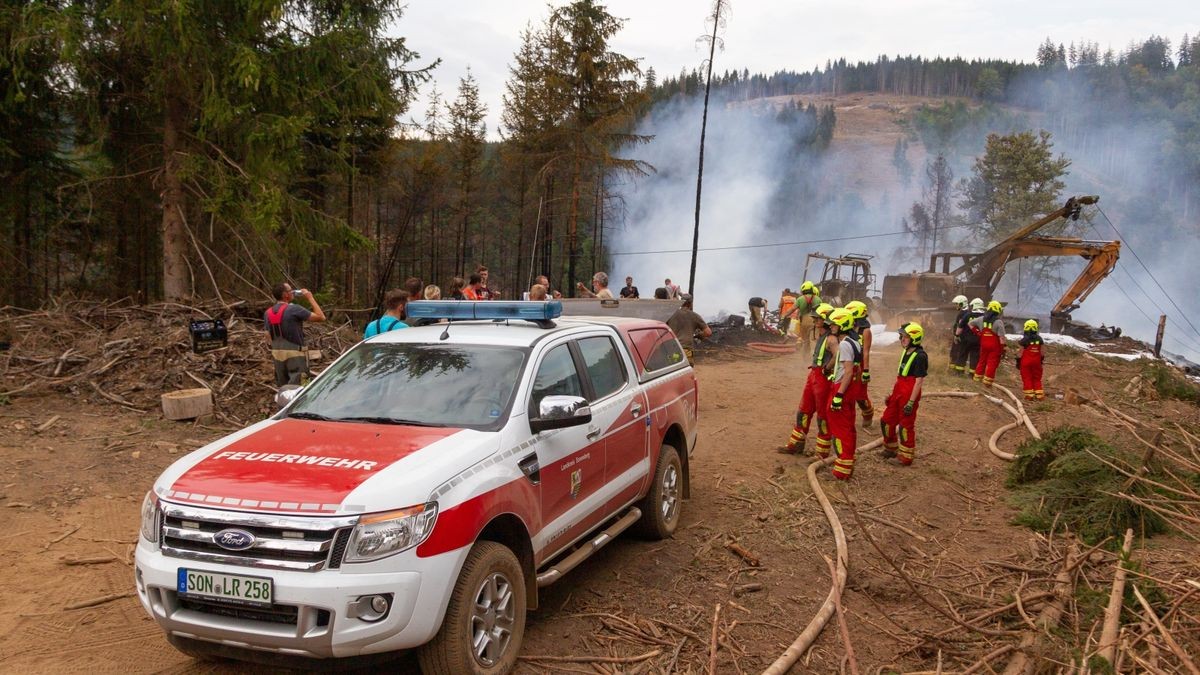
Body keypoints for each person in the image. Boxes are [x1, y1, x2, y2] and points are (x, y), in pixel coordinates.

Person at [781, 303, 836, 456]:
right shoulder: (819, 334)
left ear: (825, 319)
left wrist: (827, 368)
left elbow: (837, 355)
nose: (814, 320)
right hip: (813, 376)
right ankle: (796, 445)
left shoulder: (831, 338)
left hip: (823, 380)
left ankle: (822, 453)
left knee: (822, 415)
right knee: (804, 411)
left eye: (817, 318)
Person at [880, 322, 929, 466]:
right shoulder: (906, 351)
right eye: (901, 336)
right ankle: (891, 448)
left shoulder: (920, 356)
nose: (902, 339)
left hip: (909, 393)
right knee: (886, 421)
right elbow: (901, 376)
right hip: (899, 390)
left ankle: (906, 457)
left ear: (914, 337)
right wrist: (893, 396)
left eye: (905, 337)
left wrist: (911, 402)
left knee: (905, 426)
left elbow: (919, 381)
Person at [825, 308, 862, 480]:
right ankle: (847, 464)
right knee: (848, 426)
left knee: (840, 429)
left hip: (842, 388)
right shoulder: (855, 341)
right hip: (850, 389)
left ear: (842, 324)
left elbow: (847, 372)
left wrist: (838, 395)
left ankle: (841, 471)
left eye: (834, 323)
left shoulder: (846, 344)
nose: (831, 326)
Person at [264, 283, 325, 386]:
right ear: (285, 295)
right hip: (296, 355)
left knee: (283, 388)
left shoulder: (268, 313)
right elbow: (321, 317)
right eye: (290, 290)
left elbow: (267, 334)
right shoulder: (294, 309)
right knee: (303, 386)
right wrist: (310, 298)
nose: (293, 292)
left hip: (277, 354)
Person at [845, 300, 876, 429]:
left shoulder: (866, 331)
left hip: (860, 365)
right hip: (848, 363)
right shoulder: (848, 328)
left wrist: (866, 371)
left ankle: (868, 413)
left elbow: (866, 352)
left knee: (860, 396)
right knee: (846, 391)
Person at [969, 300, 1008, 387]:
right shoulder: (998, 322)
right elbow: (1001, 337)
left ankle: (977, 378)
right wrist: (1003, 348)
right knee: (992, 363)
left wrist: (978, 333)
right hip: (994, 347)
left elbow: (970, 324)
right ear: (997, 310)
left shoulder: (981, 319)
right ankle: (987, 382)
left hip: (984, 344)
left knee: (982, 361)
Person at [666, 294, 712, 365]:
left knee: (672, 373)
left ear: (681, 303)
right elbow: (708, 332)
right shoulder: (695, 316)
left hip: (672, 350)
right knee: (686, 374)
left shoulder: (671, 314)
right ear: (691, 304)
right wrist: (699, 336)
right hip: (686, 352)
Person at [956, 298, 985, 375]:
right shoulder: (985, 316)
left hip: (965, 340)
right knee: (975, 357)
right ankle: (972, 374)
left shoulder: (968, 315)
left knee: (962, 355)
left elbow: (960, 326)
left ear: (974, 306)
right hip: (978, 340)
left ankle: (959, 372)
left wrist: (957, 335)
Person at [1018, 319, 1045, 401]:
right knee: (1037, 378)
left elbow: (1020, 352)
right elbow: (1042, 352)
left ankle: (1029, 395)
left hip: (1026, 362)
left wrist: (1018, 360)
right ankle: (1039, 395)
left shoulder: (1024, 340)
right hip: (1037, 362)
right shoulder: (1040, 339)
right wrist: (1041, 360)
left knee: (1027, 378)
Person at [948, 295, 970, 375]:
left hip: (960, 337)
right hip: (960, 336)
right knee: (955, 352)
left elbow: (960, 326)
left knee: (957, 353)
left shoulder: (963, 314)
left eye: (957, 304)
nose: (956, 306)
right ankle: (953, 370)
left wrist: (956, 336)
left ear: (962, 304)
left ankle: (957, 372)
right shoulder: (964, 313)